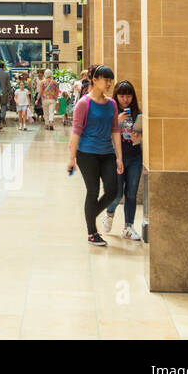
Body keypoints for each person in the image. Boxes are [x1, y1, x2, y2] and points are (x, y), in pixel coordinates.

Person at [67, 64, 123, 247]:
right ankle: (92, 232)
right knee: (93, 191)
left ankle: (90, 214)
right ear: (95, 80)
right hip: (86, 153)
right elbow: (76, 131)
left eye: (110, 80)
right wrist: (71, 158)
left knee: (113, 190)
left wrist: (119, 157)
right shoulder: (84, 103)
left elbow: (115, 130)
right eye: (105, 79)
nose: (108, 83)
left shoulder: (112, 104)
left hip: (107, 152)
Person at [103, 80, 145, 240]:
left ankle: (128, 227)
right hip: (116, 158)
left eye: (128, 96)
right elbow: (102, 133)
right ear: (116, 96)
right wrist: (116, 121)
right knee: (117, 193)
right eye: (122, 96)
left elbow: (146, 133)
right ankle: (109, 213)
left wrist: (139, 136)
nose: (125, 99)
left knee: (132, 193)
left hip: (134, 157)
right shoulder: (111, 112)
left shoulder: (137, 113)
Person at [0, 61, 12, 131]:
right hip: (4, 92)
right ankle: (2, 117)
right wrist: (10, 93)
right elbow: (8, 84)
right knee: (3, 105)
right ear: (3, 67)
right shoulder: (6, 74)